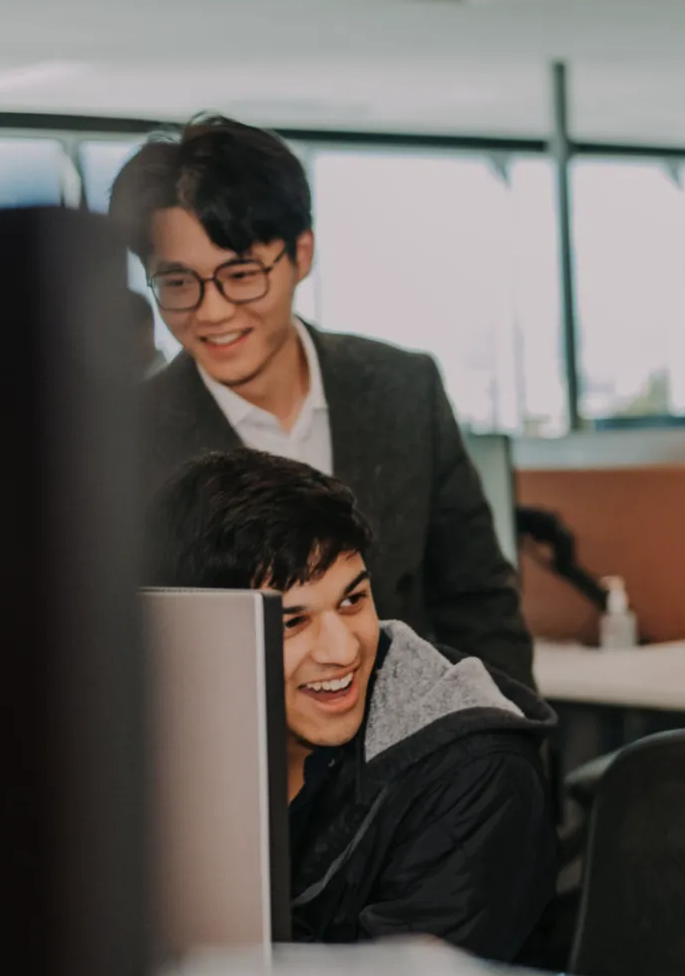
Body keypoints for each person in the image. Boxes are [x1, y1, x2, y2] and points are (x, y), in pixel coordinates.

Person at [111, 115, 536, 686]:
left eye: (240, 274)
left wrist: (504, 752)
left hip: (419, 757)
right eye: (178, 283)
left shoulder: (403, 389)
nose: (211, 312)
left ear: (301, 254)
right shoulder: (123, 440)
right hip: (238, 764)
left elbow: (480, 605)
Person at [148, 448, 556, 961]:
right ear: (197, 633)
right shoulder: (164, 734)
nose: (342, 650)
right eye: (292, 623)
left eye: (352, 600)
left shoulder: (477, 776)